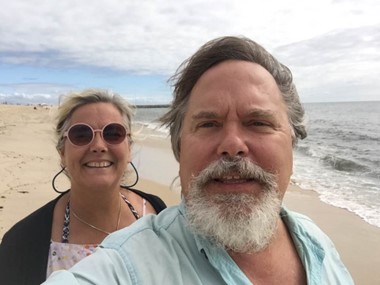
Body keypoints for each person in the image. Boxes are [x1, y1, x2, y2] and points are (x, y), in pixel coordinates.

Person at [43, 37, 354, 284]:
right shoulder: (128, 264)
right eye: (208, 124)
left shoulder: (319, 244)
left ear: (292, 139)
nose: (232, 145)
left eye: (258, 122)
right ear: (179, 147)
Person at [0, 89, 166, 285]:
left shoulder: (159, 217)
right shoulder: (22, 243)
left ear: (129, 148)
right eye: (81, 134)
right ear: (62, 152)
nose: (98, 145)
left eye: (113, 133)